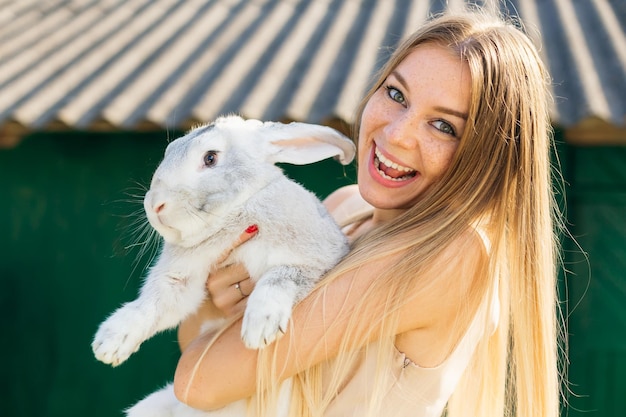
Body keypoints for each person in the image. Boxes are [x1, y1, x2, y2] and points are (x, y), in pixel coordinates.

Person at [173, 7, 565, 417]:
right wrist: (217, 302)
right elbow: (202, 357)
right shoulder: (345, 207)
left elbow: (198, 381)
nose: (397, 134)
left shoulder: (455, 254)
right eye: (397, 95)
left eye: (444, 126)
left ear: (484, 159)